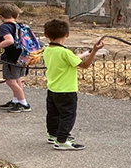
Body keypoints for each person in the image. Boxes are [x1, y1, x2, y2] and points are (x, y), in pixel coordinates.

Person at [43, 19, 104, 151]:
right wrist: (94, 52)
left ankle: (53, 134)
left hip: (52, 89)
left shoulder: (48, 50)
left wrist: (84, 54)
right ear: (67, 34)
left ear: (46, 35)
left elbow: (67, 60)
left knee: (53, 114)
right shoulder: (65, 52)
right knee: (68, 115)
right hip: (67, 90)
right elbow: (85, 65)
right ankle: (62, 140)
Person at [0, 4, 31, 113]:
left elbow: (9, 40)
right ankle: (16, 100)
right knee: (17, 79)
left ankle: (23, 103)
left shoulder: (4, 26)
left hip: (11, 57)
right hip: (22, 56)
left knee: (10, 81)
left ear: (0, 16)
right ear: (16, 15)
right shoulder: (19, 25)